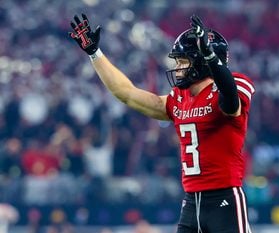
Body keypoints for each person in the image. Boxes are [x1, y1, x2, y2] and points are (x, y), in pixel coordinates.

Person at [69, 13, 255, 233]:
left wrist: (210, 56)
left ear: (202, 61)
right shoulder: (179, 99)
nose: (177, 68)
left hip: (224, 199)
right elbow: (127, 94)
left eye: (183, 61)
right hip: (190, 201)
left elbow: (230, 101)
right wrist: (95, 54)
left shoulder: (234, 85)